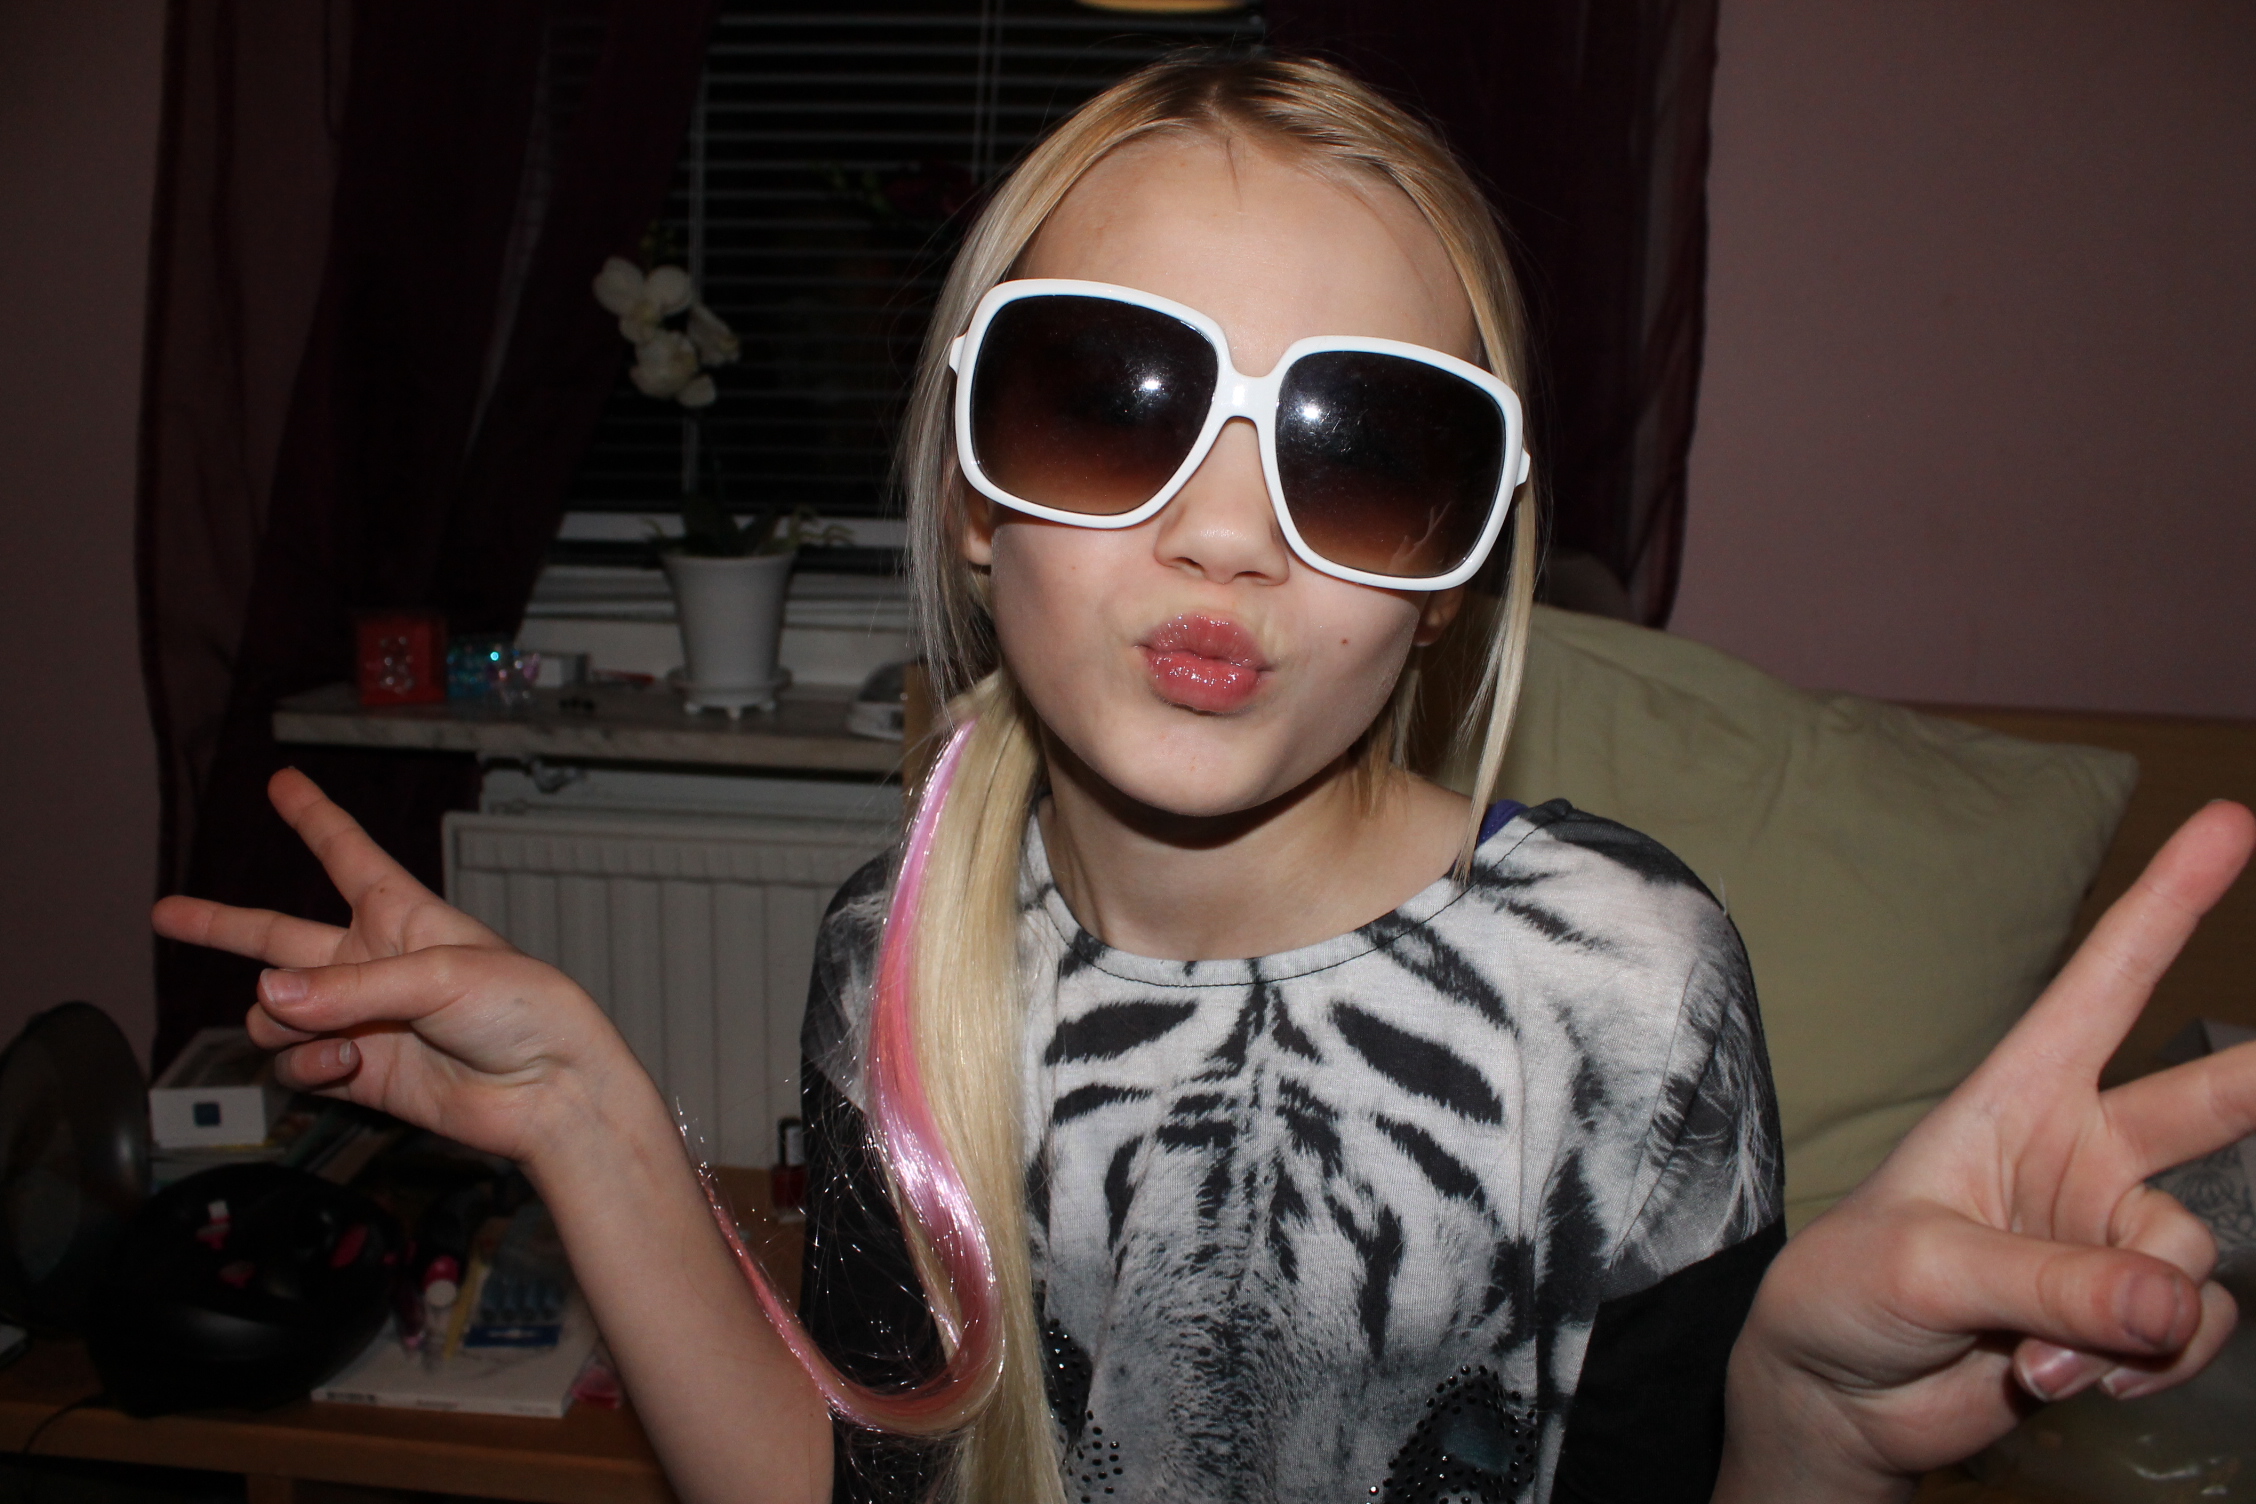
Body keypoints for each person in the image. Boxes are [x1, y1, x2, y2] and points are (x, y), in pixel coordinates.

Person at [153, 53, 2255, 1504]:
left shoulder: (1626, 986)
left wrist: (1803, 1424)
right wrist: (588, 1119)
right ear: (972, 496)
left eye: (1368, 447)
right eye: (1109, 399)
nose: (1229, 532)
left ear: (1452, 578)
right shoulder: (897, 948)